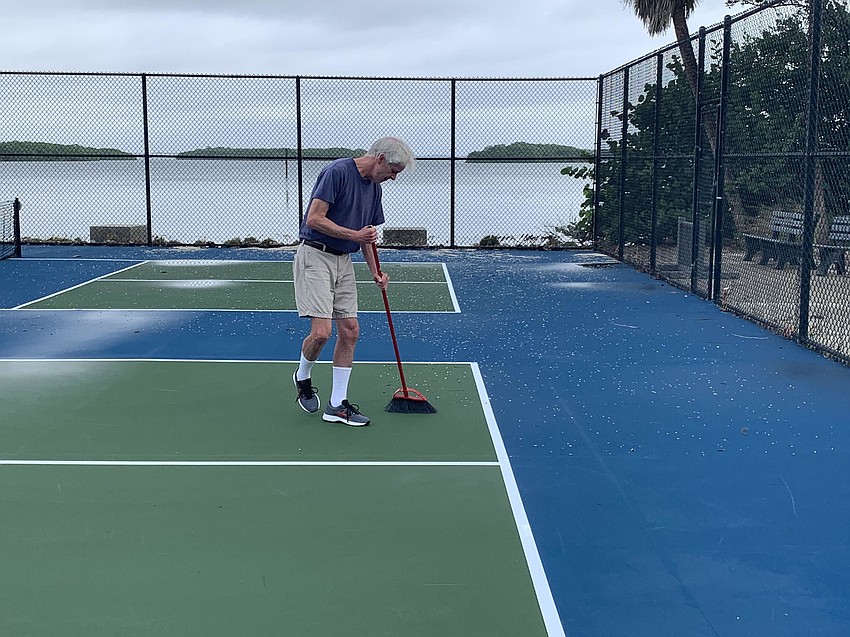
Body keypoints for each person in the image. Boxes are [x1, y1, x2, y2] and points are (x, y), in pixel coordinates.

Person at [292, 137, 415, 426]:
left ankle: (336, 405)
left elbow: (368, 236)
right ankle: (302, 375)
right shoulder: (336, 172)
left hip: (343, 260)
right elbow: (314, 219)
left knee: (350, 331)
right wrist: (354, 235)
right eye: (393, 170)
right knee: (321, 333)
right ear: (380, 159)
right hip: (315, 255)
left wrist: (375, 272)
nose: (393, 178)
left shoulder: (375, 189)